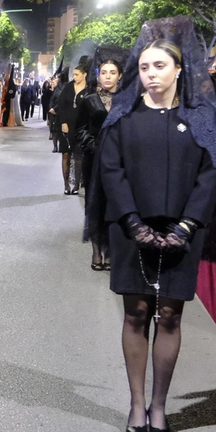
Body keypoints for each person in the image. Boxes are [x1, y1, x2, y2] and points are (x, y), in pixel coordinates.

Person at [90, 18, 216, 432]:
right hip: (131, 230)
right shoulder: (123, 115)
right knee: (135, 314)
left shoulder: (202, 116)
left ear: (180, 69)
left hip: (183, 233)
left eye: (160, 66)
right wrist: (132, 222)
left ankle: (159, 406)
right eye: (145, 66)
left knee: (170, 315)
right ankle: (136, 404)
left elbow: (211, 175)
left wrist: (187, 225)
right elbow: (110, 172)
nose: (151, 74)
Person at [76, 50, 125, 271]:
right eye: (103, 72)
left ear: (120, 76)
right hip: (93, 160)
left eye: (112, 73)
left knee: (115, 204)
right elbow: (80, 130)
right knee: (94, 203)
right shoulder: (89, 101)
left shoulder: (127, 101)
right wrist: (93, 145)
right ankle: (96, 251)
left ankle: (112, 251)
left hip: (119, 162)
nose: (107, 76)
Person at [52, 63, 85, 194]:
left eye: (77, 74)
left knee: (78, 157)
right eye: (74, 74)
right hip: (65, 127)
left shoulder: (88, 89)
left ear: (84, 75)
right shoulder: (68, 88)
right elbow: (61, 105)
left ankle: (76, 185)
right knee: (65, 154)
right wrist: (63, 122)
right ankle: (66, 185)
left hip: (81, 128)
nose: (74, 77)